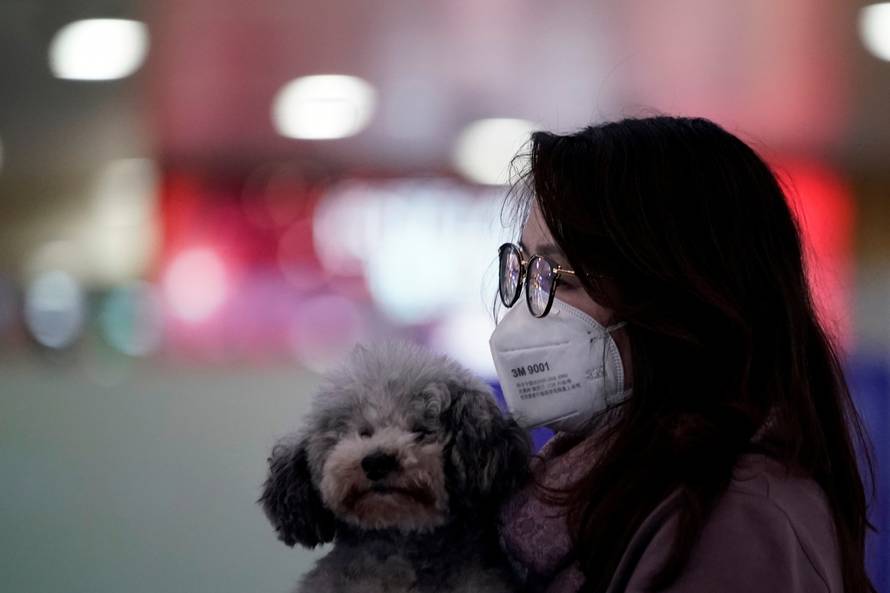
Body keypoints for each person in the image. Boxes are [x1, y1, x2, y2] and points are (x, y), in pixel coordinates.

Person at [488, 116, 876, 593]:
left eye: (559, 277)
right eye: (525, 270)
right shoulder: (592, 488)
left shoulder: (735, 524)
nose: (527, 309)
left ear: (676, 302)